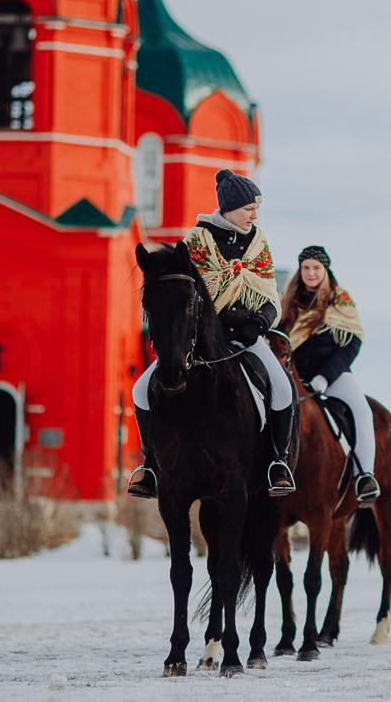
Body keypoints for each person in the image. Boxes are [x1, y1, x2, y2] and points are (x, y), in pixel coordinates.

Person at [127, 169, 297, 499]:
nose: (254, 215)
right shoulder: (195, 243)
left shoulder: (258, 243)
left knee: (282, 387)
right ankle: (150, 465)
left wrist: (258, 323)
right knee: (139, 390)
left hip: (248, 338)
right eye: (249, 208)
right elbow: (185, 301)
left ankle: (277, 461)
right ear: (231, 208)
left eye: (256, 209)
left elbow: (270, 295)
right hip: (203, 341)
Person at [277, 246, 380, 505]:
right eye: (306, 268)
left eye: (316, 268)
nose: (311, 273)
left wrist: (325, 376)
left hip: (334, 377)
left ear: (325, 271)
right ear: (300, 271)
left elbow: (352, 344)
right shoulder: (287, 302)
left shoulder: (340, 301)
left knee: (362, 411)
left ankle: (364, 475)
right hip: (294, 376)